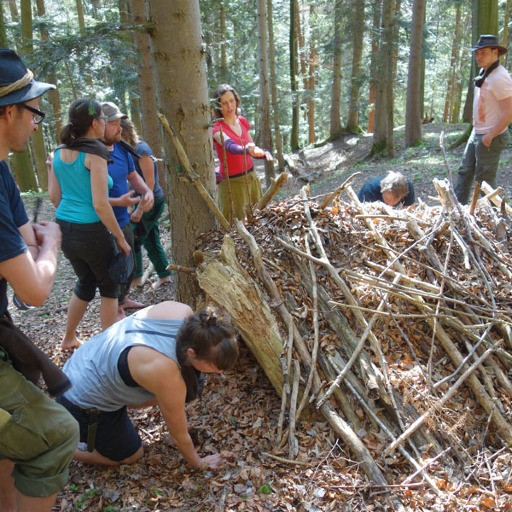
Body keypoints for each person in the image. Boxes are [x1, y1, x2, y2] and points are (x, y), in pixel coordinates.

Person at [0, 48, 79, 512]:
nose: (38, 122)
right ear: (8, 110)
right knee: (56, 434)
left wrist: (37, 248)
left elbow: (25, 248)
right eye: (33, 111)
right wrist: (53, 245)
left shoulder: (3, 175)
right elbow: (34, 289)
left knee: (12, 443)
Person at [56, 301, 238, 468]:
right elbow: (179, 435)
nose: (220, 373)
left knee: (183, 389)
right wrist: (199, 463)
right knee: (131, 456)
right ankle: (63, 449)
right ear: (191, 352)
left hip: (79, 364)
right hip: (81, 400)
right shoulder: (165, 372)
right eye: (215, 367)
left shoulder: (182, 312)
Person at [47, 99, 131, 350]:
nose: (106, 123)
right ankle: (108, 349)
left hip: (65, 227)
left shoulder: (60, 152)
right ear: (95, 123)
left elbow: (55, 198)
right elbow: (100, 204)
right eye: (104, 119)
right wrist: (120, 237)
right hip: (91, 230)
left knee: (85, 281)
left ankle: (69, 338)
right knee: (109, 286)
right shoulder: (95, 153)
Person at [100, 102, 154, 317]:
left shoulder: (122, 148)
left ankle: (123, 299)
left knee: (129, 262)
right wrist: (118, 202)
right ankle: (114, 308)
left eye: (119, 122)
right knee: (112, 268)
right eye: (113, 123)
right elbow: (90, 196)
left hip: (124, 218)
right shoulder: (92, 153)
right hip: (102, 222)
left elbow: (133, 176)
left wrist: (146, 192)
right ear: (99, 124)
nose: (119, 128)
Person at [455, 34, 512, 205]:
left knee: (485, 182)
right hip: (477, 132)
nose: (478, 57)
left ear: (495, 52)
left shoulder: (500, 77)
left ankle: (495, 220)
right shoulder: (485, 72)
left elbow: (509, 111)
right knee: (465, 171)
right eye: (477, 53)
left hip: (491, 135)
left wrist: (490, 135)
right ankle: (457, 211)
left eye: (483, 53)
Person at [120, 118, 172, 290]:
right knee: (150, 240)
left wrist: (140, 209)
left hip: (151, 202)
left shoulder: (141, 150)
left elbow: (149, 183)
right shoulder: (127, 149)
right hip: (140, 202)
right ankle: (164, 276)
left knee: (134, 239)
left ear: (125, 133)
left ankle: (136, 281)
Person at [212, 84, 273, 224]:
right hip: (232, 185)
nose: (229, 106)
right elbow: (231, 147)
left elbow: (252, 149)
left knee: (260, 221)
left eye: (231, 101)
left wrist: (263, 153)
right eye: (224, 103)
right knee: (236, 227)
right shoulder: (216, 128)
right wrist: (246, 149)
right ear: (218, 106)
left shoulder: (242, 121)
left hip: (251, 179)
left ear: (236, 100)